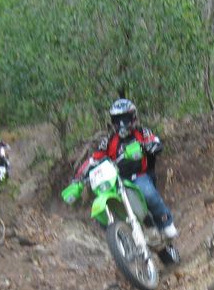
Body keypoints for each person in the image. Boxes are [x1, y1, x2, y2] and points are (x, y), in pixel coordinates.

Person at [75, 98, 178, 239]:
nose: (122, 124)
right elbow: (94, 158)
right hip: (117, 180)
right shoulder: (109, 140)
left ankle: (165, 224)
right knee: (102, 205)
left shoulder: (142, 132)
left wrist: (151, 145)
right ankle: (119, 238)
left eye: (125, 119)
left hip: (139, 175)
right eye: (118, 120)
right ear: (113, 122)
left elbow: (154, 140)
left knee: (148, 194)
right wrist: (78, 177)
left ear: (133, 118)